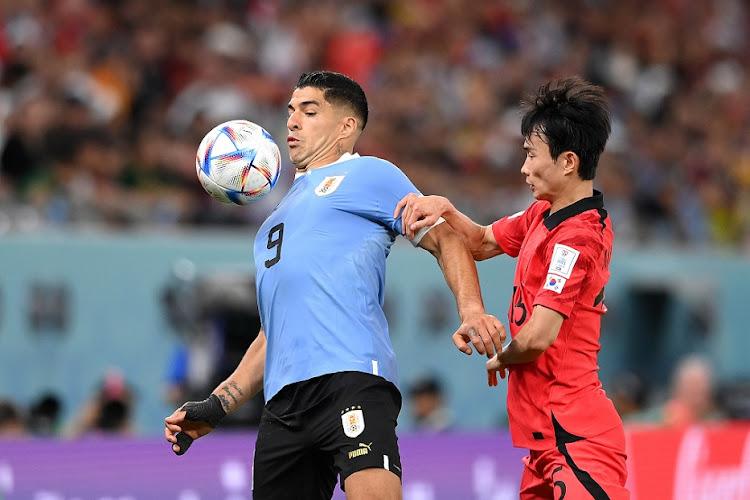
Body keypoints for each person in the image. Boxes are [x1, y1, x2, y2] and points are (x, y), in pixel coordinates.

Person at [165, 71, 505, 500]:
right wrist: (217, 405)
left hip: (351, 377)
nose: (292, 121)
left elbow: (445, 238)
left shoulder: (370, 174)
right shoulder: (271, 223)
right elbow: (274, 333)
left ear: (346, 127)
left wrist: (471, 311)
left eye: (309, 111)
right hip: (283, 406)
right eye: (290, 111)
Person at [396, 76, 629, 499]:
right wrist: (445, 207)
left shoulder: (578, 238)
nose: (523, 168)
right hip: (543, 445)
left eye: (530, 155)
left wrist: (501, 356)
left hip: (576, 440)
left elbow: (538, 337)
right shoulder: (543, 214)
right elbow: (482, 241)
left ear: (568, 162)